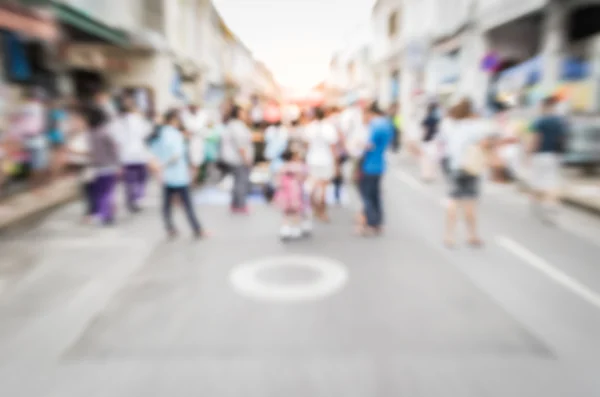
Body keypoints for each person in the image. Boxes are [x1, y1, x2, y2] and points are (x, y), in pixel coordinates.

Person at [438, 98, 496, 247]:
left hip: (454, 166)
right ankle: (472, 235)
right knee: (470, 202)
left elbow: (446, 144)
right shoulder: (477, 127)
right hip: (471, 167)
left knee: (453, 200)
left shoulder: (452, 126)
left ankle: (449, 236)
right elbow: (487, 142)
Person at [151, 109, 206, 239]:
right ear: (174, 119)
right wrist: (164, 163)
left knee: (166, 205)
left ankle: (170, 227)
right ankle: (197, 228)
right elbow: (176, 154)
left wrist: (160, 165)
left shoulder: (160, 134)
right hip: (178, 176)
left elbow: (154, 151)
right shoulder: (175, 134)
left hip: (166, 176)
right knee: (187, 204)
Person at [528, 96, 567, 224]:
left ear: (544, 106)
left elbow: (536, 139)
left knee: (538, 181)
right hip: (555, 155)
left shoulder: (541, 121)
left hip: (541, 154)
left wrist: (529, 152)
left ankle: (539, 205)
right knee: (552, 181)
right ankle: (550, 205)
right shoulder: (560, 121)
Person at [356, 102, 394, 236]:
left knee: (367, 195)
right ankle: (378, 222)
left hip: (369, 165)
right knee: (376, 195)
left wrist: (358, 144)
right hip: (380, 164)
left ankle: (371, 223)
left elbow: (369, 145)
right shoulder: (387, 124)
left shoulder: (376, 125)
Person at [86, 105, 120, 226]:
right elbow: (114, 149)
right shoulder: (105, 132)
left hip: (96, 167)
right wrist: (118, 164)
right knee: (108, 192)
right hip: (108, 167)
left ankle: (103, 213)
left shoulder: (90, 134)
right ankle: (107, 214)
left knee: (100, 192)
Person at [117, 96, 152, 212]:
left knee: (129, 180)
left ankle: (131, 200)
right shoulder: (139, 120)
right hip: (139, 155)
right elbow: (147, 133)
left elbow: (117, 139)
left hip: (126, 156)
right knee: (140, 179)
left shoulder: (119, 121)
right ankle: (137, 199)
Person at [305, 107, 338, 222]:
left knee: (313, 186)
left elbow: (306, 145)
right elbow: (333, 147)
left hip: (312, 159)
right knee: (323, 187)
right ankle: (322, 211)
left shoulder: (310, 127)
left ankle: (314, 208)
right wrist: (336, 163)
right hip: (326, 160)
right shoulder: (329, 128)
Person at [220, 105, 254, 214]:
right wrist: (246, 159)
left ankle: (236, 204)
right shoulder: (237, 126)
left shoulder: (232, 125)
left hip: (234, 158)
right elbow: (240, 145)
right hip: (238, 159)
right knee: (241, 182)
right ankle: (240, 204)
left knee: (237, 182)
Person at [274, 145, 308, 240]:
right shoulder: (297, 167)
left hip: (285, 192)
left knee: (286, 212)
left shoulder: (283, 167)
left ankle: (285, 228)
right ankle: (295, 228)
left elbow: (278, 180)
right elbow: (301, 178)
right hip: (294, 191)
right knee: (296, 211)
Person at [46, 98, 68, 181]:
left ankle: (54, 174)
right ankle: (56, 174)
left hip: (52, 137)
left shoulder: (50, 114)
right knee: (59, 156)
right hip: (59, 137)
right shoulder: (60, 114)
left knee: (53, 156)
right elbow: (63, 127)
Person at [420, 102, 441, 182]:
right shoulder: (435, 119)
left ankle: (426, 174)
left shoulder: (427, 118)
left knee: (426, 159)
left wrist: (422, 138)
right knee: (432, 159)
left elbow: (424, 130)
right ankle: (430, 174)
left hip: (427, 140)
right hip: (433, 140)